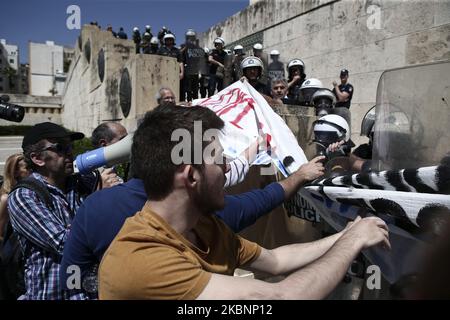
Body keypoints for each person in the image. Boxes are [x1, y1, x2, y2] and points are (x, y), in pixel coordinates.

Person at [97, 105, 390, 300]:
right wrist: (352, 243)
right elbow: (280, 298)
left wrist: (348, 233)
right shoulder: (140, 260)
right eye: (220, 160)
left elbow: (276, 261)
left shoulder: (206, 227)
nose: (227, 168)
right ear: (191, 176)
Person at [6, 122, 92, 299]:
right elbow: (64, 242)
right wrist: (100, 200)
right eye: (60, 148)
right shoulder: (25, 196)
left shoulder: (81, 184)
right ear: (38, 159)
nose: (70, 152)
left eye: (70, 147)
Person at [0, 154, 30, 241]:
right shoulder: (6, 198)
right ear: (15, 172)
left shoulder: (29, 192)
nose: (32, 170)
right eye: (27, 168)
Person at [90, 122, 128, 188]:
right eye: (123, 140)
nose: (127, 143)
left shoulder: (117, 166)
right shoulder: (88, 177)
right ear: (104, 144)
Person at [182, 29, 205, 102]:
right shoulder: (183, 47)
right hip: (187, 70)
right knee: (188, 89)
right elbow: (179, 55)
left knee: (195, 88)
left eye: (192, 37)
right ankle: (189, 102)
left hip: (195, 70)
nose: (190, 39)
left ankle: (195, 103)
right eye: (189, 37)